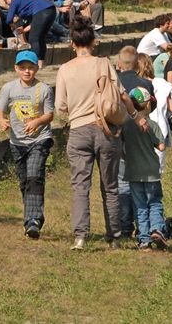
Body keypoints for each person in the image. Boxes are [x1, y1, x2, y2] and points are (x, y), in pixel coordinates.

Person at [55, 15, 147, 250]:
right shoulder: (104, 64)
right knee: (110, 186)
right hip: (106, 130)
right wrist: (136, 116)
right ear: (93, 41)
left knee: (80, 186)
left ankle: (80, 236)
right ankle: (114, 236)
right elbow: (122, 95)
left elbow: (60, 107)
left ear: (72, 43)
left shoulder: (64, 69)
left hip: (78, 130)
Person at [0, 50, 54, 239]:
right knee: (24, 181)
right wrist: (1, 120)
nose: (27, 71)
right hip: (17, 142)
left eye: (31, 67)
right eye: (23, 68)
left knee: (35, 176)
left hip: (40, 139)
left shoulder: (44, 89)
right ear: (16, 68)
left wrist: (37, 122)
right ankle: (30, 216)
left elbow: (49, 115)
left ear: (37, 68)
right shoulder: (9, 88)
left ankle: (33, 221)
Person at [120, 87, 168, 250]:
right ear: (147, 104)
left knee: (139, 206)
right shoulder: (151, 124)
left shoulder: (126, 125)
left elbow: (121, 147)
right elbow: (161, 146)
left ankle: (144, 240)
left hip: (133, 172)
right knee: (154, 202)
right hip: (151, 172)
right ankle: (156, 229)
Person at [6, 0, 57, 67]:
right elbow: (34, 23)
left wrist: (13, 26)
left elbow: (8, 19)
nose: (9, 5)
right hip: (51, 10)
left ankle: (33, 64)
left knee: (33, 39)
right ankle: (40, 64)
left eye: (8, 3)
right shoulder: (25, 1)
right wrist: (23, 30)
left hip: (42, 11)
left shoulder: (15, 0)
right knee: (40, 38)